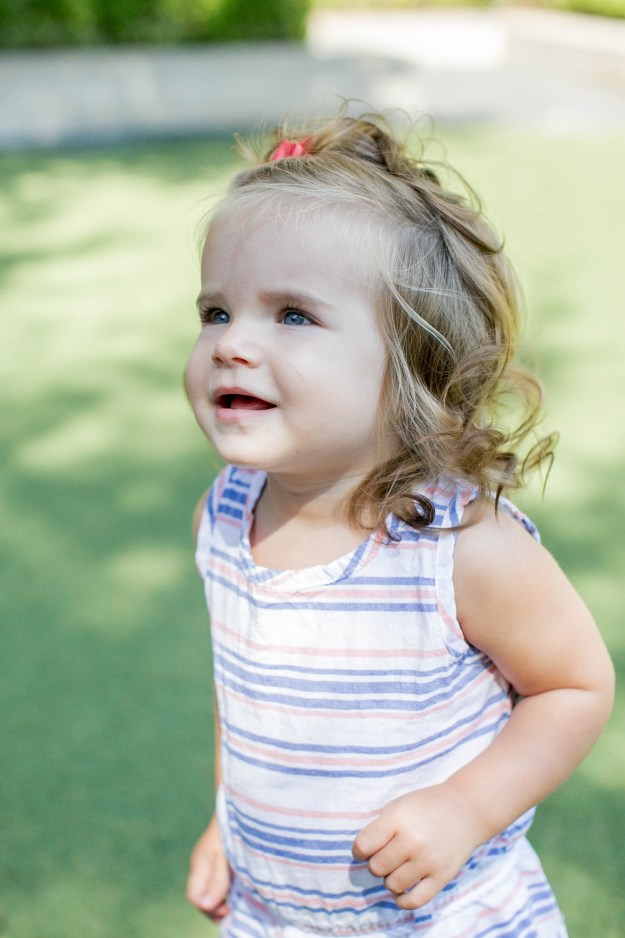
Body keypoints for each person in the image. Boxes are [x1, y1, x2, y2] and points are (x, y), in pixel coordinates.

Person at [184, 107, 614, 937]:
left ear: (409, 363)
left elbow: (573, 686)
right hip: (275, 915)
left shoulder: (460, 548)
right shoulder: (226, 515)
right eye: (215, 312)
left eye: (292, 314)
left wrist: (465, 807)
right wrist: (224, 823)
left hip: (442, 920)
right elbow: (244, 699)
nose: (232, 344)